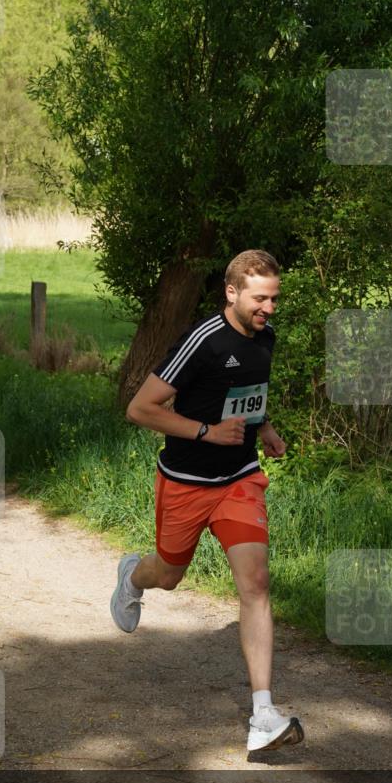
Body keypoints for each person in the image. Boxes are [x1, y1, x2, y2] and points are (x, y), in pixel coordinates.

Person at [110, 249, 303, 753]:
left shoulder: (265, 339)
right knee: (169, 575)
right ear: (232, 292)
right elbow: (140, 408)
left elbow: (247, 393)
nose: (269, 309)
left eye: (274, 299)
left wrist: (265, 429)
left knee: (256, 583)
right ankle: (134, 574)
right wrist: (205, 432)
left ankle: (263, 714)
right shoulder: (201, 340)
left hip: (239, 478)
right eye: (261, 299)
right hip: (186, 481)